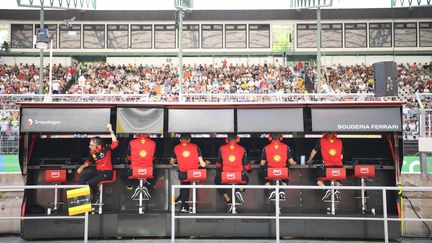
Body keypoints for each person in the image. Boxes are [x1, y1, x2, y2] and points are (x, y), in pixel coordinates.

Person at [77, 123, 118, 203]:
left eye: (91, 145)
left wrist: (111, 131)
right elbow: (89, 161)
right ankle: (82, 199)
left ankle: (96, 194)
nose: (89, 146)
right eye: (89, 145)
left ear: (98, 146)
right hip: (98, 172)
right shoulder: (92, 152)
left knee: (91, 182)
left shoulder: (105, 148)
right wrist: (82, 167)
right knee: (83, 177)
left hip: (107, 172)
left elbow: (115, 144)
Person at [214, 133, 252, 213]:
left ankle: (228, 201)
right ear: (238, 139)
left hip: (225, 177)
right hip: (239, 176)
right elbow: (246, 166)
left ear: (226, 140)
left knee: (217, 180)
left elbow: (218, 164)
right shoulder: (242, 149)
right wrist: (251, 165)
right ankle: (238, 190)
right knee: (246, 178)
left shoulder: (222, 148)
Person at [169, 133, 207, 213]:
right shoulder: (195, 146)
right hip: (195, 174)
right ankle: (185, 203)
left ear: (180, 140)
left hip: (183, 174)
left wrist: (176, 162)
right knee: (188, 184)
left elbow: (171, 162)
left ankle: (184, 205)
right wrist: (207, 162)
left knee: (184, 184)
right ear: (189, 140)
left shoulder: (176, 147)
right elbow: (202, 164)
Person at [307, 132, 343, 201]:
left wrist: (309, 160)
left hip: (328, 169)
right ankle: (336, 189)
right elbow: (341, 156)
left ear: (325, 134)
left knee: (317, 178)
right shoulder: (340, 141)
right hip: (340, 170)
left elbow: (314, 151)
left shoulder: (321, 140)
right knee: (337, 179)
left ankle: (328, 190)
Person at [260, 133, 296, 200]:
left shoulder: (266, 148)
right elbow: (291, 162)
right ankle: (281, 190)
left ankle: (272, 189)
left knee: (263, 175)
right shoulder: (286, 147)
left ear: (270, 138)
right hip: (283, 173)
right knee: (285, 178)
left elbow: (262, 163)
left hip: (270, 172)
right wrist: (295, 163)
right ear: (281, 137)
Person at [124, 133, 156, 199]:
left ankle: (132, 186)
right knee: (156, 173)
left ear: (137, 134)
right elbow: (154, 157)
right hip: (149, 172)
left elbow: (128, 156)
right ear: (148, 134)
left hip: (134, 172)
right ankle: (147, 185)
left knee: (123, 175)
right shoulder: (153, 143)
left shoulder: (131, 142)